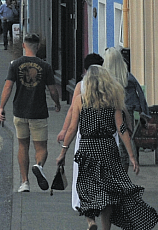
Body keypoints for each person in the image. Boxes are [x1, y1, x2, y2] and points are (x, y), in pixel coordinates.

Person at [56, 65, 158, 230]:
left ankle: (91, 222)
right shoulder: (113, 100)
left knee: (86, 187)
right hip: (108, 148)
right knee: (108, 192)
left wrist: (63, 151)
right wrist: (132, 156)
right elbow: (122, 128)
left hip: (87, 147)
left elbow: (72, 128)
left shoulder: (80, 100)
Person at [0, 33, 61, 193]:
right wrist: (57, 103)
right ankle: (39, 166)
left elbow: (8, 87)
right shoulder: (45, 66)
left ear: (23, 46)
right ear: (38, 47)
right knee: (41, 147)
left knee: (22, 145)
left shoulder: (15, 64)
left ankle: (24, 182)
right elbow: (53, 90)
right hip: (38, 112)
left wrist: (1, 107)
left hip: (19, 112)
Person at [58, 53, 105, 213]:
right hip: (107, 140)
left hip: (84, 139)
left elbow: (73, 112)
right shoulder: (110, 87)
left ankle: (87, 212)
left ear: (85, 69)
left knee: (83, 175)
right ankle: (103, 204)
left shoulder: (81, 86)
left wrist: (64, 132)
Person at [103, 47, 150, 171]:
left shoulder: (104, 78)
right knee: (125, 140)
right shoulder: (127, 77)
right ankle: (123, 172)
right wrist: (143, 111)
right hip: (126, 112)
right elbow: (140, 93)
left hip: (107, 111)